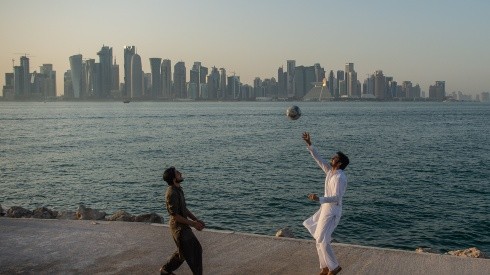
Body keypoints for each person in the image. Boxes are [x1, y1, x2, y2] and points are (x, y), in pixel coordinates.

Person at [302, 132, 349, 275]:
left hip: (332, 211)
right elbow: (319, 159)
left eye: (335, 157)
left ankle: (334, 267)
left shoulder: (340, 177)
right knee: (318, 238)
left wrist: (319, 199)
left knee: (322, 240)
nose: (332, 158)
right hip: (325, 209)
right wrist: (309, 144)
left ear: (339, 163)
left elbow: (336, 197)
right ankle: (325, 267)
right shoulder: (330, 171)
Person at [160, 166, 205, 275]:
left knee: (185, 253)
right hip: (179, 228)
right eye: (177, 173)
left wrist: (195, 219)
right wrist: (193, 223)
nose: (180, 173)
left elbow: (184, 208)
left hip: (183, 226)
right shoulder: (171, 193)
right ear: (174, 178)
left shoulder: (178, 189)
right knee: (194, 252)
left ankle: (165, 270)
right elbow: (175, 216)